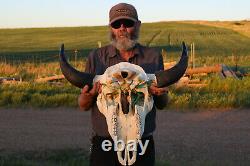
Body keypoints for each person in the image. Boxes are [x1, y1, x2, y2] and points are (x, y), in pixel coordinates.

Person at [78, 3, 168, 166]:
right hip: (104, 144)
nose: (122, 28)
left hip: (142, 143)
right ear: (110, 27)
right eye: (116, 24)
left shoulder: (153, 57)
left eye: (128, 23)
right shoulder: (96, 57)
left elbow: (162, 103)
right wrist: (88, 96)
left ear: (138, 25)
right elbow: (83, 105)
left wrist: (160, 94)